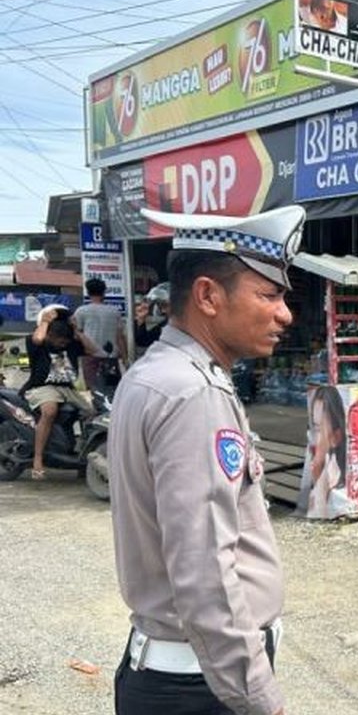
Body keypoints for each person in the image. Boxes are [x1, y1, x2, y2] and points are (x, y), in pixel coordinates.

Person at [109, 205, 305, 715]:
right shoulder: (194, 392)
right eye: (268, 294)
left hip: (181, 676)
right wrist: (259, 697)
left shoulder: (157, 373)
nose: (285, 313)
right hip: (202, 689)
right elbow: (205, 571)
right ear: (207, 296)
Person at [22, 305, 105, 478]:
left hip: (68, 389)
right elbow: (38, 339)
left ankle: (82, 454)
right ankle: (38, 458)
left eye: (65, 341)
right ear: (50, 335)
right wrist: (45, 321)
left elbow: (93, 350)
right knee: (49, 411)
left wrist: (77, 330)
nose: (62, 344)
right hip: (43, 387)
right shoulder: (38, 344)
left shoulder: (71, 344)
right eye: (59, 340)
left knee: (93, 412)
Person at [301, 384, 352, 519]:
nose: (310, 437)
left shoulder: (338, 492)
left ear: (336, 437)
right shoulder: (317, 479)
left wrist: (321, 489)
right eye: (311, 426)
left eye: (317, 429)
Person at [73, 277, 126, 392]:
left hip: (90, 356)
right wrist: (125, 357)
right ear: (104, 292)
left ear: (88, 292)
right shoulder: (114, 312)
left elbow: (77, 334)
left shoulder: (81, 311)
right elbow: (120, 337)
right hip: (111, 357)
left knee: (93, 390)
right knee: (112, 390)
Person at [133, 282, 170, 350]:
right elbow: (142, 341)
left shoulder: (185, 326)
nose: (162, 311)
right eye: (159, 306)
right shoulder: (164, 326)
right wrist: (141, 320)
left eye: (164, 305)